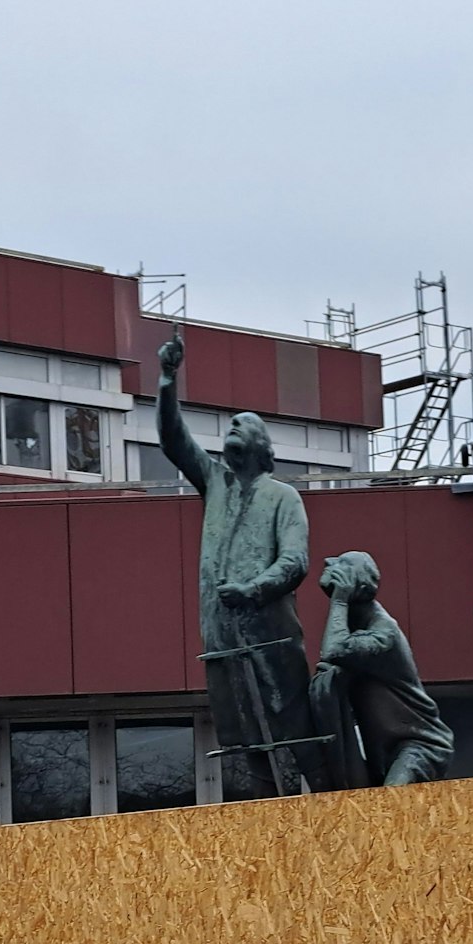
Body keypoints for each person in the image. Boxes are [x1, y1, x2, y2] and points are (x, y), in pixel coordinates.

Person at [156, 330, 318, 797]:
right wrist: (167, 378)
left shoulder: (282, 496)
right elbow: (173, 440)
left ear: (263, 445)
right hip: (222, 637)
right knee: (239, 737)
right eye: (229, 425)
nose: (231, 428)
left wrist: (254, 590)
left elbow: (296, 559)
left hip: (270, 635)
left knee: (289, 729)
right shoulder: (215, 484)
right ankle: (259, 816)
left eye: (241, 425)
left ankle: (314, 808)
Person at [310, 551, 454, 786]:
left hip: (420, 745)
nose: (328, 562)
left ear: (360, 584)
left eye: (343, 563)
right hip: (382, 752)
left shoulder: (384, 631)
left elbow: (334, 651)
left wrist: (339, 600)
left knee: (388, 809)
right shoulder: (353, 625)